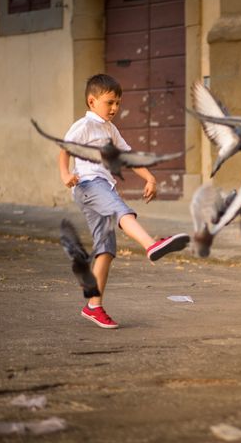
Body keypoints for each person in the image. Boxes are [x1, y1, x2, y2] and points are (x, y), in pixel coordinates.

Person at [59, 74, 190, 329]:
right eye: (110, 103)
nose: (115, 108)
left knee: (105, 249)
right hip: (88, 184)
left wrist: (149, 177)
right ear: (92, 101)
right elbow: (64, 149)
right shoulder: (85, 125)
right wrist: (65, 173)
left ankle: (93, 306)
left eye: (118, 103)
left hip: (101, 187)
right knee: (121, 210)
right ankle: (151, 245)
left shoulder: (110, 129)